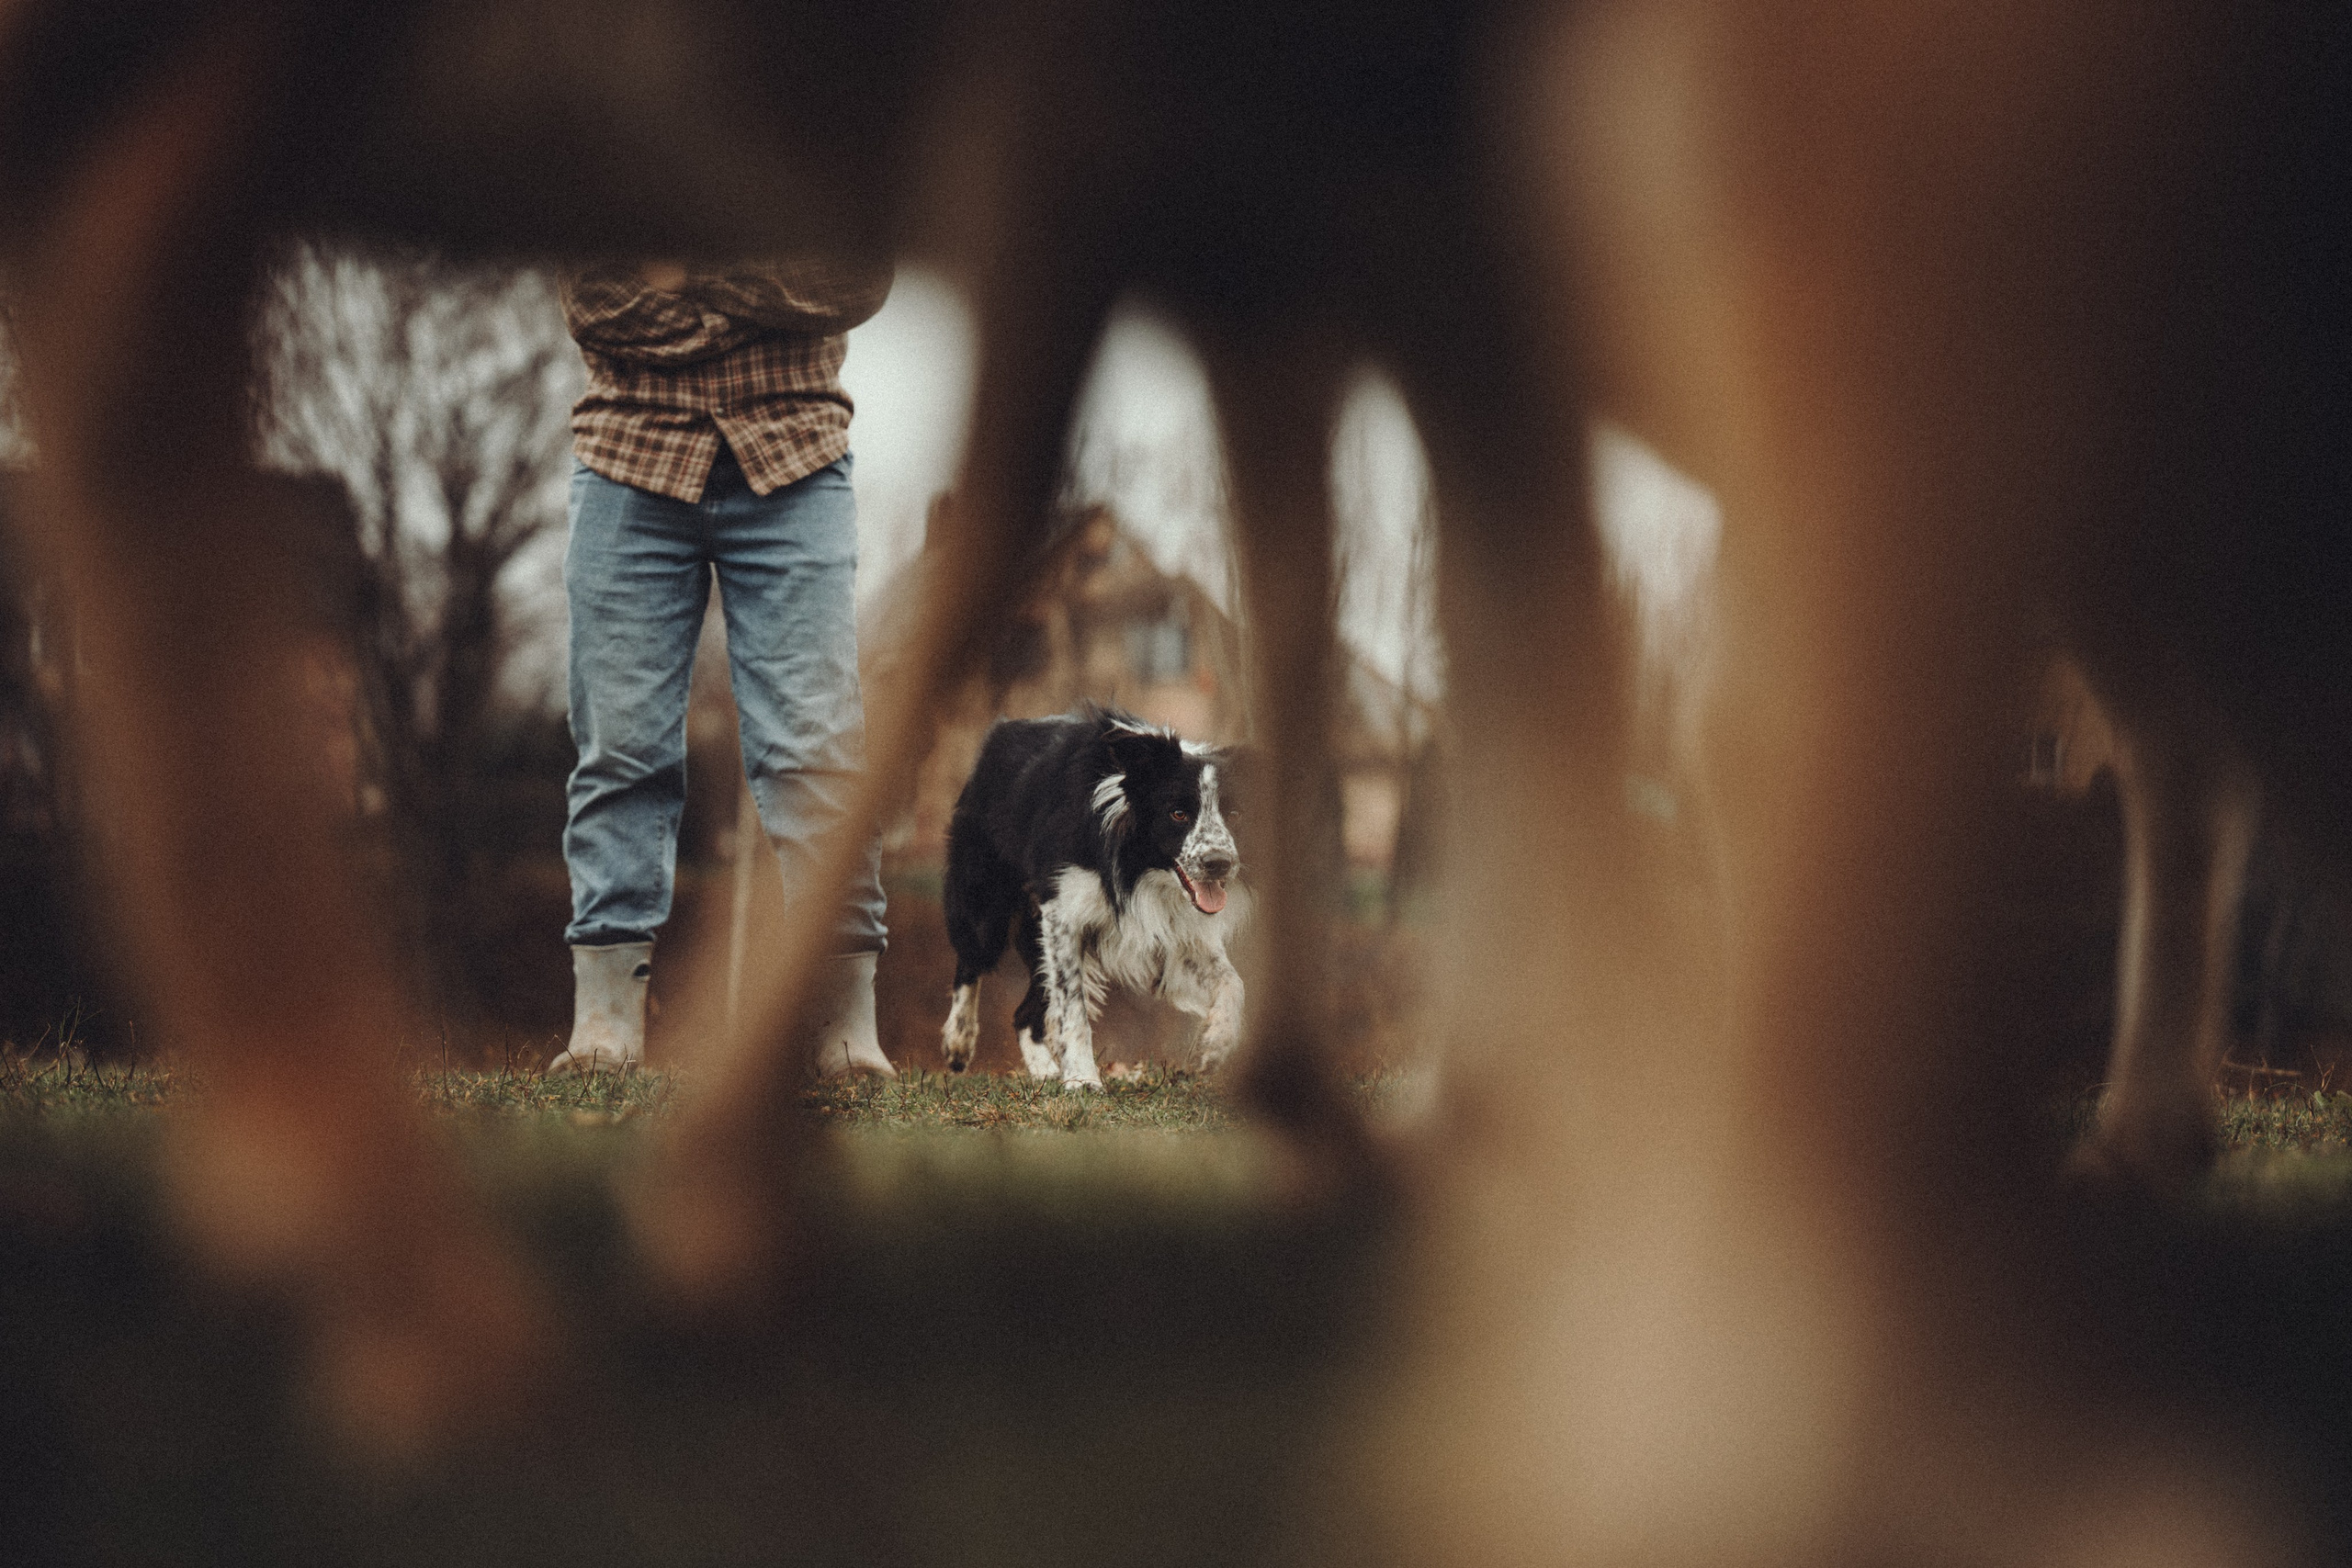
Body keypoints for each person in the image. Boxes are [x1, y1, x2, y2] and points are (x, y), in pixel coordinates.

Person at [548, 254, 895, 1077]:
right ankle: (605, 1026)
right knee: (619, 745)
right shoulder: (620, 129)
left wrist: (685, 280)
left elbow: (854, 281)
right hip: (627, 457)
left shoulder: (819, 129)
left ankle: (846, 1031)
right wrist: (759, 291)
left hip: (796, 458)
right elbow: (591, 296)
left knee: (816, 750)